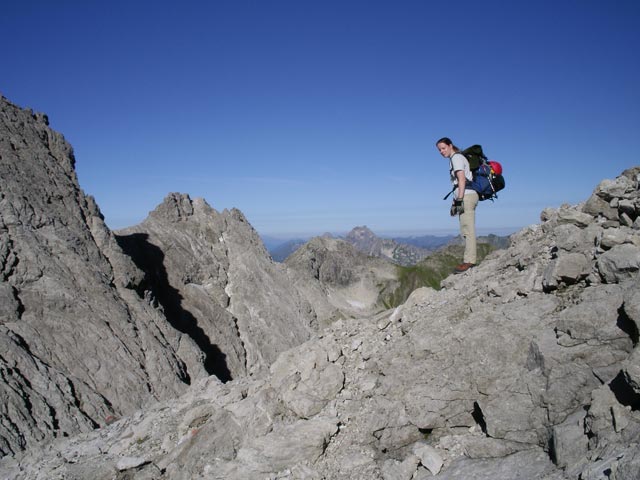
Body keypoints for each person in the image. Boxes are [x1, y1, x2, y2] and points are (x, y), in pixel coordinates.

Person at [436, 137, 479, 273]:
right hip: (465, 196)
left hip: (466, 196)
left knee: (468, 229)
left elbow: (461, 180)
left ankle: (469, 262)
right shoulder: (456, 158)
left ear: (450, 145)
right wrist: (455, 203)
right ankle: (469, 260)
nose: (441, 152)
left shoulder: (456, 158)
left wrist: (459, 200)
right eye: (439, 150)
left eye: (443, 148)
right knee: (465, 229)